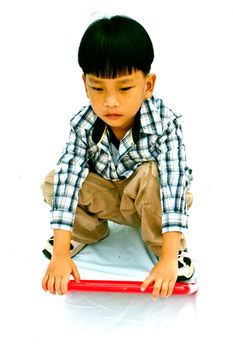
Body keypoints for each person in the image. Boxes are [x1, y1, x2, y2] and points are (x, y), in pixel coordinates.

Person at [41, 15, 194, 299]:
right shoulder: (83, 124)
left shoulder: (166, 124)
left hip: (150, 200)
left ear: (148, 86)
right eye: (98, 88)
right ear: (85, 85)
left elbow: (173, 187)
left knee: (152, 174)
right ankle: (86, 233)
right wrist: (60, 254)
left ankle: (168, 252)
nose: (110, 101)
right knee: (54, 181)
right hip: (111, 198)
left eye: (124, 88)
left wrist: (169, 257)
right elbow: (68, 178)